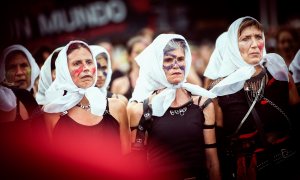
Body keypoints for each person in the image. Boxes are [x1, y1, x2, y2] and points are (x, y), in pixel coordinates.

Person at [204, 16, 298, 180]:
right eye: (245, 39)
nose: (254, 44)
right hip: (246, 171)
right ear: (233, 46)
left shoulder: (281, 75)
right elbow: (218, 143)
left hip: (286, 164)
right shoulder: (219, 90)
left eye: (258, 37)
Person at [127, 34, 220, 180]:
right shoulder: (141, 110)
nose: (176, 65)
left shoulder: (202, 103)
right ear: (157, 65)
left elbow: (212, 161)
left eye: (181, 59)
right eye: (168, 60)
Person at [42, 41, 130, 155]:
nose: (85, 68)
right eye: (77, 63)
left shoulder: (117, 107)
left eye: (89, 62)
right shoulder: (52, 114)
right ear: (64, 70)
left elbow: (127, 156)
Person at [0, 44, 39, 120]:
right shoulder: (3, 102)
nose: (19, 72)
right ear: (3, 72)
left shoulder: (45, 98)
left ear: (32, 69)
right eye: (12, 67)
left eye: (24, 65)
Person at [110, 35, 151, 100]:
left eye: (145, 51)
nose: (142, 55)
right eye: (138, 52)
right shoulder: (118, 84)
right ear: (129, 56)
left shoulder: (157, 81)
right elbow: (113, 108)